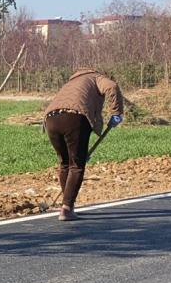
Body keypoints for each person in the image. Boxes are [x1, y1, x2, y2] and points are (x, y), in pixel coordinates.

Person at [42, 69, 124, 221]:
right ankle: (67, 208)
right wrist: (116, 113)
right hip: (74, 117)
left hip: (51, 119)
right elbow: (112, 86)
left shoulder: (71, 82)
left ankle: (67, 204)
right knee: (77, 165)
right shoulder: (95, 77)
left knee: (65, 163)